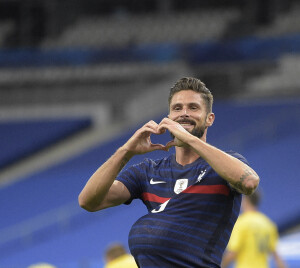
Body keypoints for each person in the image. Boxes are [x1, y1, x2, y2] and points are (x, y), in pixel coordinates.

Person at [79, 77, 260, 268]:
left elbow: (249, 182)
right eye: (177, 108)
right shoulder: (148, 171)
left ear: (209, 119)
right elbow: (88, 201)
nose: (184, 114)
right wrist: (126, 151)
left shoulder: (223, 165)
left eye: (193, 108)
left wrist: (190, 139)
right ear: (169, 117)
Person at [222, 190, 288, 268]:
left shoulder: (242, 222)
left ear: (246, 200)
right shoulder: (268, 224)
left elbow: (233, 252)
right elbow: (276, 255)